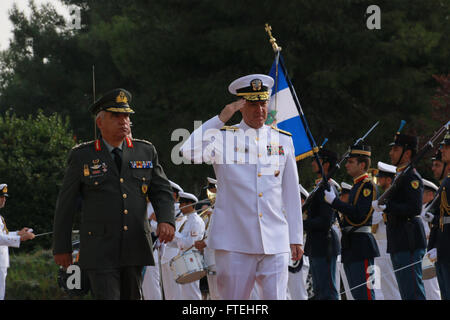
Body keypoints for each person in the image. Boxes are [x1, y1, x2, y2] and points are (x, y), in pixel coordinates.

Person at [180, 74, 303, 300]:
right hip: (234, 241)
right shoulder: (223, 137)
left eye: (263, 103)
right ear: (241, 106)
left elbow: (290, 192)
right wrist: (221, 118)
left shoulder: (283, 140)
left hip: (274, 240)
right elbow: (188, 151)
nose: (259, 110)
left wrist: (296, 236)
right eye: (253, 104)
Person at [52, 88, 175, 300]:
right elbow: (66, 204)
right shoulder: (83, 155)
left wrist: (167, 219)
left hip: (134, 245)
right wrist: (61, 247)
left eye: (126, 115)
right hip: (99, 249)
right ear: (100, 123)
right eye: (116, 116)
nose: (123, 121)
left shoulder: (145, 151)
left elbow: (162, 191)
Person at [372, 131, 426, 300]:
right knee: (405, 291)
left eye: (395, 149)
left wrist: (387, 206)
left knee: (413, 292)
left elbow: (415, 208)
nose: (391, 153)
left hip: (408, 239)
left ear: (407, 153)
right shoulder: (400, 176)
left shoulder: (411, 177)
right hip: (399, 238)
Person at [324, 145, 380, 300]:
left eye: (351, 162)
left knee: (365, 294)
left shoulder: (367, 186)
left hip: (362, 245)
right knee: (356, 293)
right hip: (351, 245)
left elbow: (359, 215)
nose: (347, 165)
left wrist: (335, 202)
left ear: (362, 165)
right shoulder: (357, 186)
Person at [303, 149, 341, 300]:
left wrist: (302, 223)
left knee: (327, 291)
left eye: (316, 160)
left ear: (325, 165)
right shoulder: (320, 187)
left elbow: (325, 221)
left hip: (324, 244)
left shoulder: (326, 188)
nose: (312, 163)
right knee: (319, 291)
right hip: (317, 244)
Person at [371, 162, 401, 300]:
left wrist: (377, 208)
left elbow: (374, 220)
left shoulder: (391, 198)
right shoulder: (384, 198)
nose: (378, 181)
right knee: (383, 288)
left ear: (389, 180)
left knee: (391, 287)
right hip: (380, 248)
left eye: (380, 178)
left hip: (387, 246)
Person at [0, 184, 35, 300]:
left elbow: (3, 235)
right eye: (1, 196)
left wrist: (18, 233)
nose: (4, 199)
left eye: (4, 196)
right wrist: (21, 239)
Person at [427, 131, 450, 299]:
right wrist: (433, 245)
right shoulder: (447, 180)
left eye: (446, 147)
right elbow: (440, 218)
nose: (443, 150)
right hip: (443, 245)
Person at [158, 180, 185, 300]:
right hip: (166, 255)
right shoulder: (169, 210)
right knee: (169, 293)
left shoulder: (178, 211)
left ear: (174, 195)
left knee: (176, 293)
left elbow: (176, 234)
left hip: (175, 256)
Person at [194, 177, 221, 300]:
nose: (210, 194)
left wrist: (204, 243)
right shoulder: (214, 211)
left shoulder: (221, 211)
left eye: (213, 191)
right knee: (214, 294)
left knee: (219, 294)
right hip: (211, 258)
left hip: (218, 259)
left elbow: (221, 232)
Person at [175, 192, 205, 300]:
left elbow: (190, 243)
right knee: (185, 294)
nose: (179, 206)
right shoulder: (187, 220)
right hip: (184, 257)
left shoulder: (196, 221)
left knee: (192, 293)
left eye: (182, 203)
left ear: (189, 204)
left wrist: (175, 233)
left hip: (191, 258)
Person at [287, 184, 310, 300]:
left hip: (296, 260)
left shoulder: (301, 218)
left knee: (298, 295)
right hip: (285, 258)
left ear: (301, 200)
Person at [419, 178, 441, 300]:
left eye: (421, 192)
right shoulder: (420, 209)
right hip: (421, 251)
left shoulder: (431, 210)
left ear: (430, 195)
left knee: (431, 286)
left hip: (430, 251)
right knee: (423, 286)